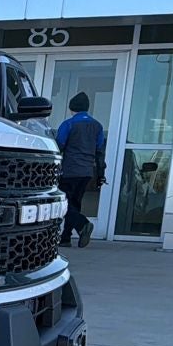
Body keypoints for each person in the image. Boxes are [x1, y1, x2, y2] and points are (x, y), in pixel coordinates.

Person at [56, 91, 106, 247]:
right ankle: (65, 238)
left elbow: (59, 145)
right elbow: (99, 151)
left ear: (72, 108)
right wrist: (100, 174)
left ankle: (82, 224)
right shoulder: (97, 126)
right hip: (86, 171)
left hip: (70, 170)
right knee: (75, 203)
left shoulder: (69, 124)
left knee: (64, 203)